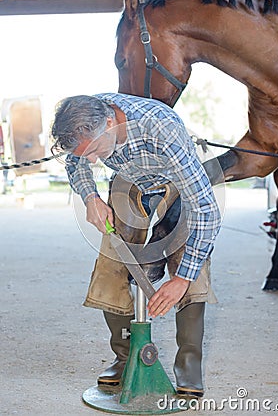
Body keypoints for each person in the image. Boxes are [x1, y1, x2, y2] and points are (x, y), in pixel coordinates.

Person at [51, 92, 221, 398]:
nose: (92, 159)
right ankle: (126, 356)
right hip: (130, 182)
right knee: (110, 268)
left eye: (96, 151)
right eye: (86, 153)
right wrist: (90, 197)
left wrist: (181, 279)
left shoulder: (161, 129)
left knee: (193, 269)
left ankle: (189, 365)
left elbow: (207, 211)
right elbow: (77, 163)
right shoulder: (87, 122)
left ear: (110, 122)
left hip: (176, 186)